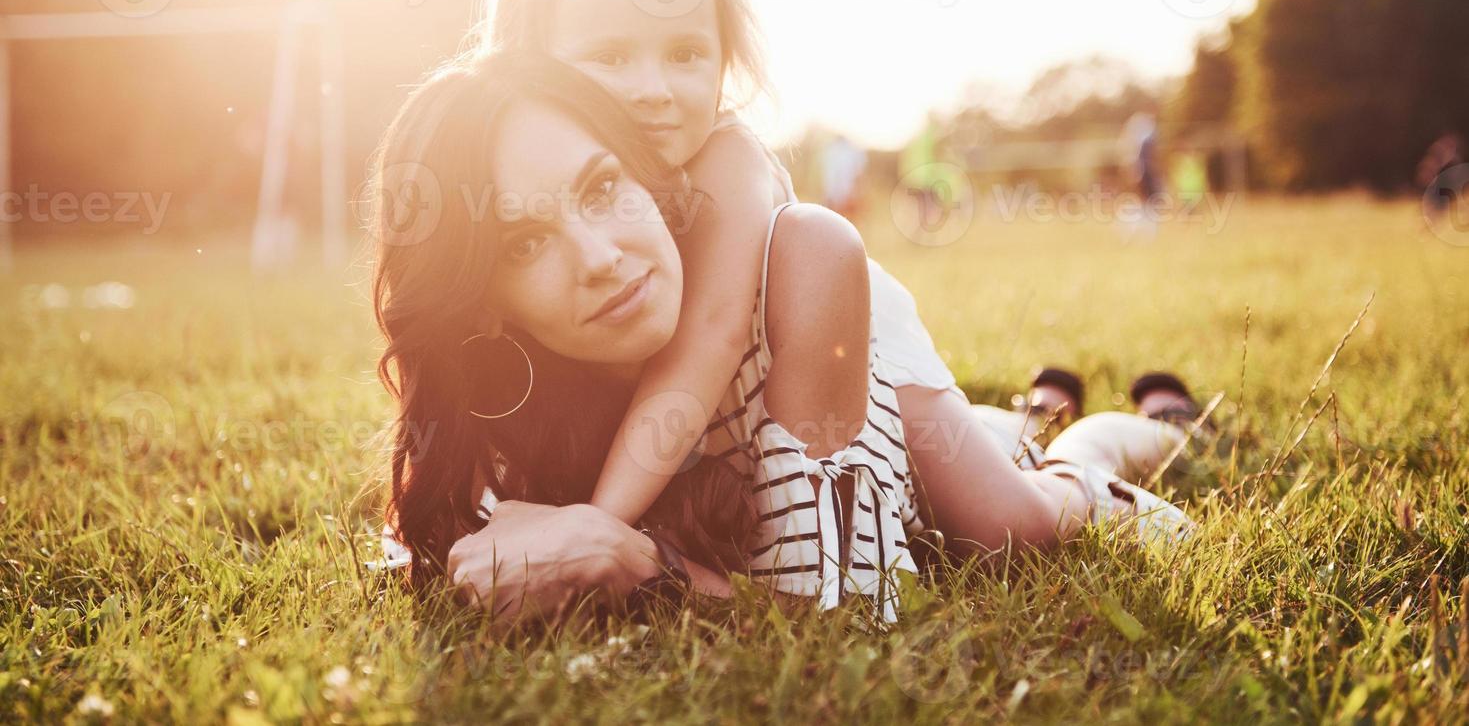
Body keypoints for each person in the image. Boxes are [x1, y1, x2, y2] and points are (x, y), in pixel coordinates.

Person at [371, 51, 1193, 621]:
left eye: (601, 189)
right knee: (978, 432)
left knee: (1014, 524)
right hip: (880, 448)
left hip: (876, 431)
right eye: (522, 244)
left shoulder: (799, 262)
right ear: (480, 302)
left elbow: (854, 605)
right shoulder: (499, 406)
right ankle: (1025, 410)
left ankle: (1111, 439)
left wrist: (638, 568)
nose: (598, 257)